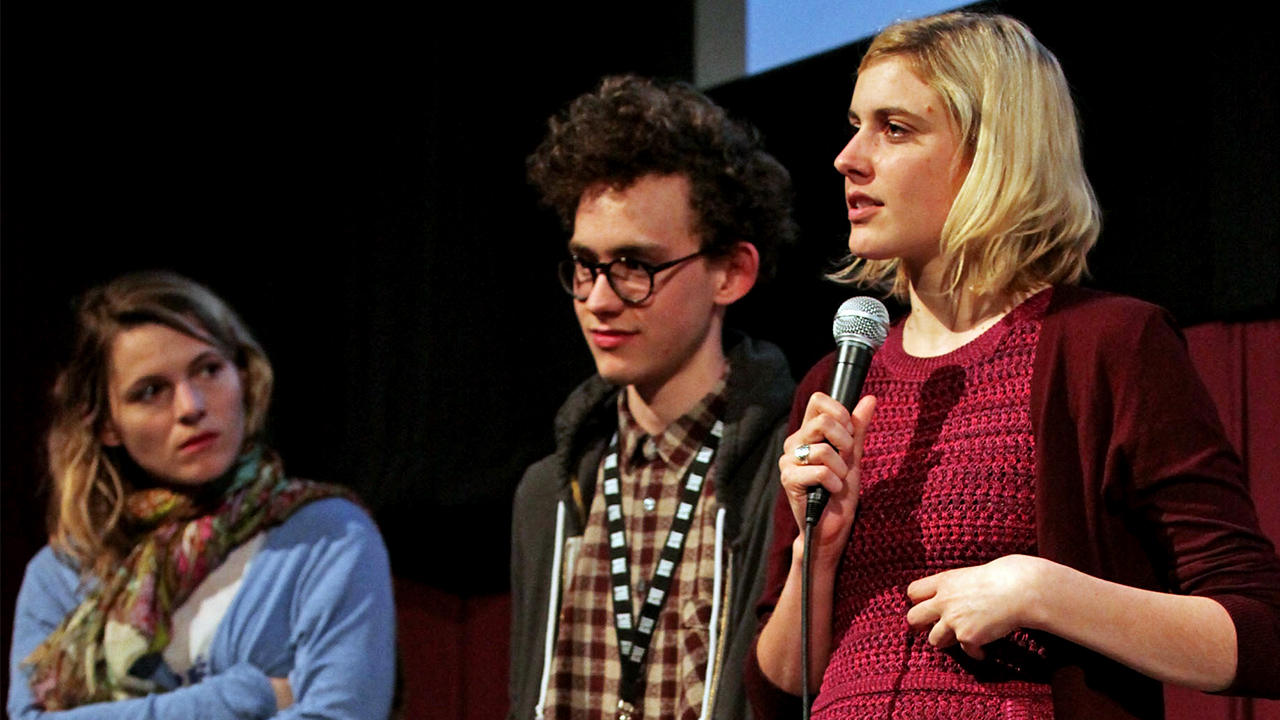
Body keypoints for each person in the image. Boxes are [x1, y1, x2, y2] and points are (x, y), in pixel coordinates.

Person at [748, 12, 1280, 719]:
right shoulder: (836, 379)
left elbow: (1262, 634)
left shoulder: (1107, 346)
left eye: (895, 128)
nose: (849, 156)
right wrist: (821, 549)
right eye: (855, 124)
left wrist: (1044, 593)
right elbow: (781, 681)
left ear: (993, 153)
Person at [510, 75, 798, 719]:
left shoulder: (784, 471)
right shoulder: (548, 495)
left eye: (636, 266)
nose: (599, 300)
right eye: (586, 266)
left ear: (731, 272)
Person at [7, 271, 396, 719]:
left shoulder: (326, 535)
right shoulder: (63, 573)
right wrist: (247, 695)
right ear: (106, 425)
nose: (191, 406)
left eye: (208, 370)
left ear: (243, 378)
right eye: (151, 391)